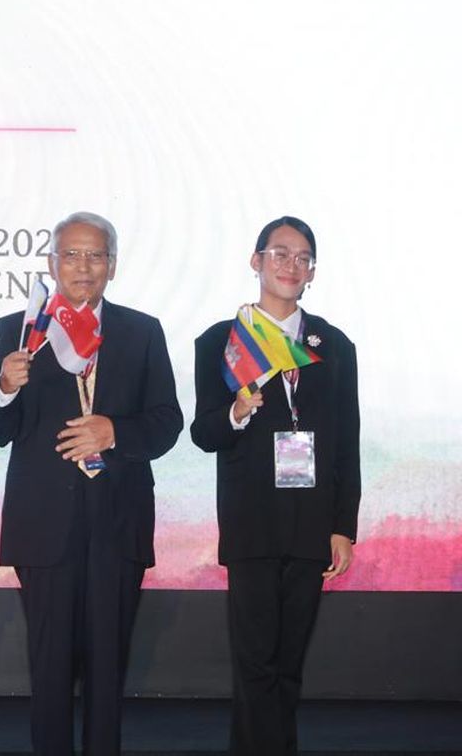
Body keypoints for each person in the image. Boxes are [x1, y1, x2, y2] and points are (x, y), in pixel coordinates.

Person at [0, 211, 182, 756]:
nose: (82, 266)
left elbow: (166, 423)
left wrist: (115, 431)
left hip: (118, 524)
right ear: (52, 263)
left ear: (111, 266)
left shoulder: (141, 331)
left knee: (108, 672)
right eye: (71, 255)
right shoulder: (18, 331)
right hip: (44, 526)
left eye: (94, 255)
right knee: (48, 670)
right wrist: (4, 385)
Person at [190, 216, 359, 756]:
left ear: (312, 272)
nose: (291, 265)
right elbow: (203, 433)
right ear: (256, 260)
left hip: (312, 524)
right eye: (280, 253)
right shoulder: (221, 342)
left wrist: (343, 527)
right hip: (252, 522)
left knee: (289, 666)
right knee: (256, 664)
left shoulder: (333, 345)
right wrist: (236, 412)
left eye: (303, 257)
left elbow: (347, 443)